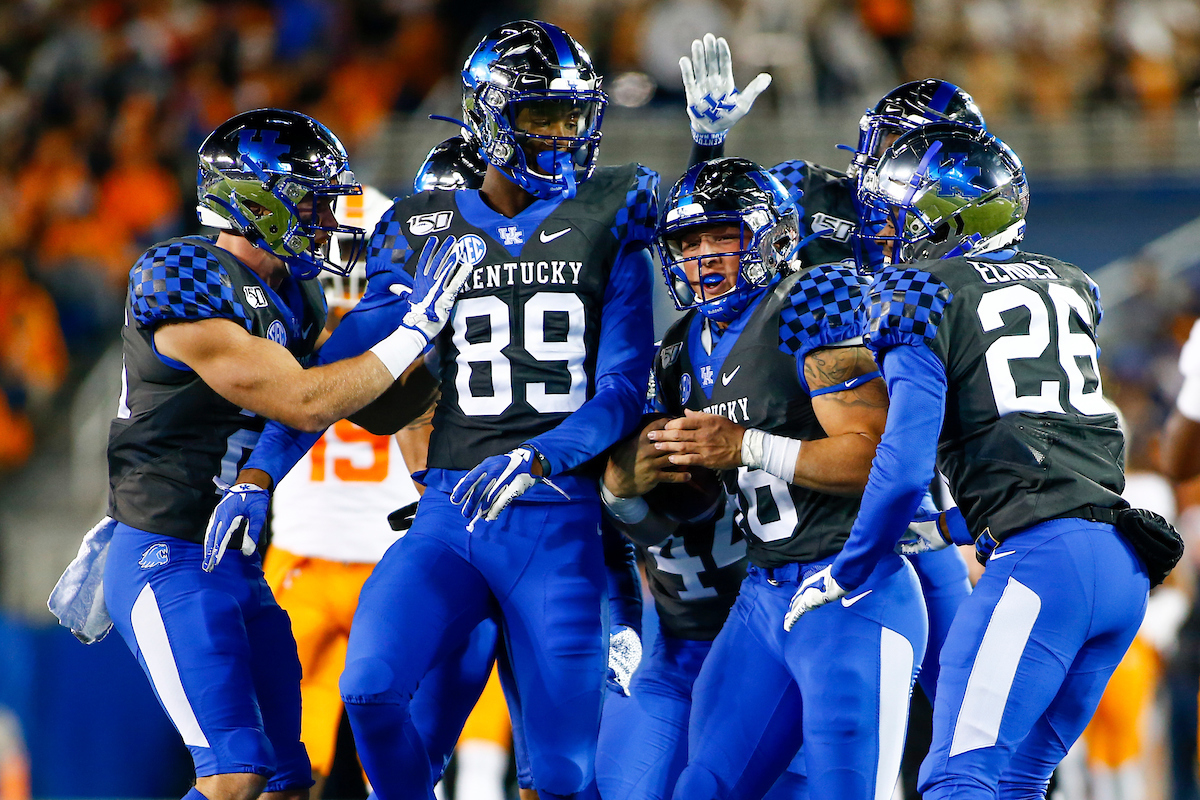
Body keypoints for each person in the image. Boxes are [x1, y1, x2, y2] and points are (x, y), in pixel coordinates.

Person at [210, 21, 658, 800]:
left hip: (558, 516)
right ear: (488, 115)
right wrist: (257, 474)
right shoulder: (425, 229)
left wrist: (544, 455)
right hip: (451, 511)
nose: (562, 136)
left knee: (560, 775)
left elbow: (623, 387)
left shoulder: (609, 213)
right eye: (541, 116)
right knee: (369, 689)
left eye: (570, 116)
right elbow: (326, 374)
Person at [49, 108, 471, 800]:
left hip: (237, 562)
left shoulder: (293, 295)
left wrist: (437, 353)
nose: (327, 218)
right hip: (166, 551)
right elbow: (301, 402)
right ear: (256, 201)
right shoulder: (183, 273)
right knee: (234, 773)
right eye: (310, 199)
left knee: (284, 785)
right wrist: (417, 327)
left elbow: (359, 399)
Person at [784, 122, 1180, 799]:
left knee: (955, 779)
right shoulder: (1071, 283)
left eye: (902, 215)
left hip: (1042, 564)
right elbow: (1045, 451)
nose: (888, 233)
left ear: (953, 217)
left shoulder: (921, 297)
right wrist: (950, 528)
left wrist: (854, 565)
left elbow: (904, 463)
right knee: (1021, 780)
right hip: (1120, 562)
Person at [679, 32, 978, 698]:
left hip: (906, 467)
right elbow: (707, 228)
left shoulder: (964, 239)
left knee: (961, 692)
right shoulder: (806, 193)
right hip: (804, 469)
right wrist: (708, 145)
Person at [636, 156, 926, 800]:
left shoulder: (809, 307)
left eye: (723, 238)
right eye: (688, 242)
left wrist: (744, 444)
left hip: (853, 592)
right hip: (763, 597)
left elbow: (876, 456)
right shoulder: (683, 347)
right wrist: (661, 475)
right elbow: (707, 490)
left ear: (766, 237)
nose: (703, 257)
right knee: (701, 789)